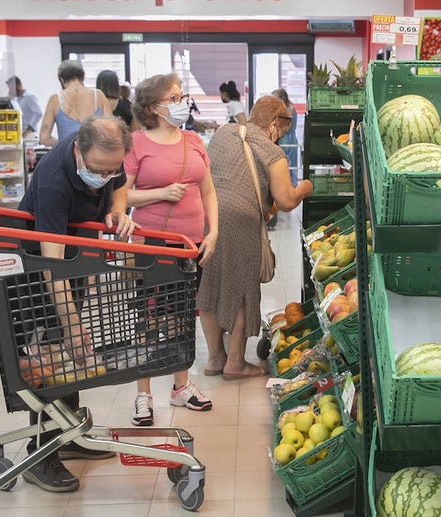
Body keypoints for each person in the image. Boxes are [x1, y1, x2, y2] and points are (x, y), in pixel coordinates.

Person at [16, 116, 138, 492]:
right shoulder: (54, 180)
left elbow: (120, 184)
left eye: (111, 168)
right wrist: (71, 325)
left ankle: (67, 435)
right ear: (78, 151)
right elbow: (51, 264)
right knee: (48, 355)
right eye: (97, 169)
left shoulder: (107, 155)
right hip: (35, 268)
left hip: (72, 258)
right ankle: (40, 455)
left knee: (65, 357)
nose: (104, 176)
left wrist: (117, 208)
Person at [124, 74, 219, 423]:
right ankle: (143, 395)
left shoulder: (193, 140)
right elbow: (121, 196)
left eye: (182, 96)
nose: (182, 103)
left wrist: (213, 232)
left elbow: (208, 191)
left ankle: (181, 386)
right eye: (174, 98)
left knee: (181, 317)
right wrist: (160, 194)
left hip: (190, 245)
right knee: (148, 319)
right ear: (152, 107)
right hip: (150, 244)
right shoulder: (136, 144)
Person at [198, 96, 312, 379]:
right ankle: (235, 363)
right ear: (274, 123)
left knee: (210, 284)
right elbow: (286, 200)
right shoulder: (272, 152)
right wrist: (304, 188)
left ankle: (215, 358)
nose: (280, 137)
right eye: (281, 131)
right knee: (242, 289)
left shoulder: (223, 133)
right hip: (242, 220)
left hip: (209, 215)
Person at [39, 60, 108, 147]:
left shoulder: (55, 99)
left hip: (67, 153)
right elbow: (112, 130)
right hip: (95, 151)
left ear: (62, 80)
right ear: (83, 77)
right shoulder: (98, 95)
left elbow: (44, 138)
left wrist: (62, 144)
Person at [272, 88, 300, 185]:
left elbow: (285, 128)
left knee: (288, 168)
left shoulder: (288, 111)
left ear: (282, 99)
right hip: (288, 141)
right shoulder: (288, 108)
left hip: (287, 142)